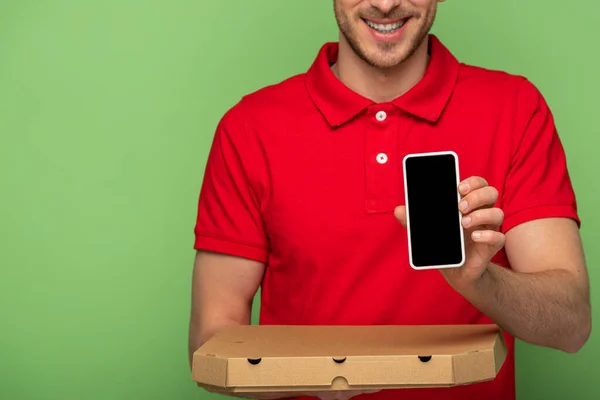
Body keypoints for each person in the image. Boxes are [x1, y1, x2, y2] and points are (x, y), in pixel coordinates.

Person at [187, 1, 592, 399]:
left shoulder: (516, 108)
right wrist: (324, 376)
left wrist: (480, 280)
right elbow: (210, 344)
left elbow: (571, 324)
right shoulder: (249, 128)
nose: (385, 4)